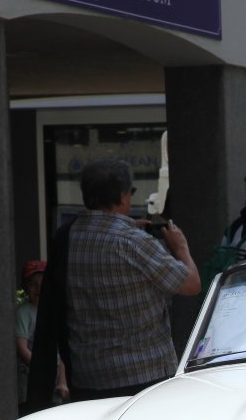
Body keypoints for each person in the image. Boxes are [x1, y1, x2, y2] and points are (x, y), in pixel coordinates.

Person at [62, 159, 201, 400]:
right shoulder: (133, 241)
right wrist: (181, 249)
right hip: (141, 376)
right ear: (122, 197)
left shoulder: (68, 236)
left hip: (88, 376)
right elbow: (191, 284)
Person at [16, 259, 67, 413]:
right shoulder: (23, 312)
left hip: (54, 378)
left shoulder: (54, 312)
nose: (38, 288)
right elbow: (21, 347)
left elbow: (62, 350)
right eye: (33, 284)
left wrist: (62, 381)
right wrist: (41, 369)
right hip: (30, 376)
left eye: (42, 283)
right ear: (25, 287)